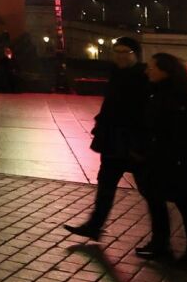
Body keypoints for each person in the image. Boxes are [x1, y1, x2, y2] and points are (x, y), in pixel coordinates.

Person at [64, 37, 152, 242]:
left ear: (135, 54)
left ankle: (161, 237)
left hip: (132, 142)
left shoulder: (142, 76)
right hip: (113, 140)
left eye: (125, 52)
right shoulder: (116, 73)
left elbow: (142, 112)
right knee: (106, 184)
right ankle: (94, 225)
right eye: (117, 51)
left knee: (149, 191)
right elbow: (111, 104)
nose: (120, 56)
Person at [139, 53, 187, 269]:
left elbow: (185, 128)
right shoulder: (163, 91)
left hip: (177, 159)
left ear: (165, 71)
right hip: (165, 158)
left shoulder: (178, 96)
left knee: (186, 206)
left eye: (152, 67)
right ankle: (165, 245)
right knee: (159, 199)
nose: (147, 71)